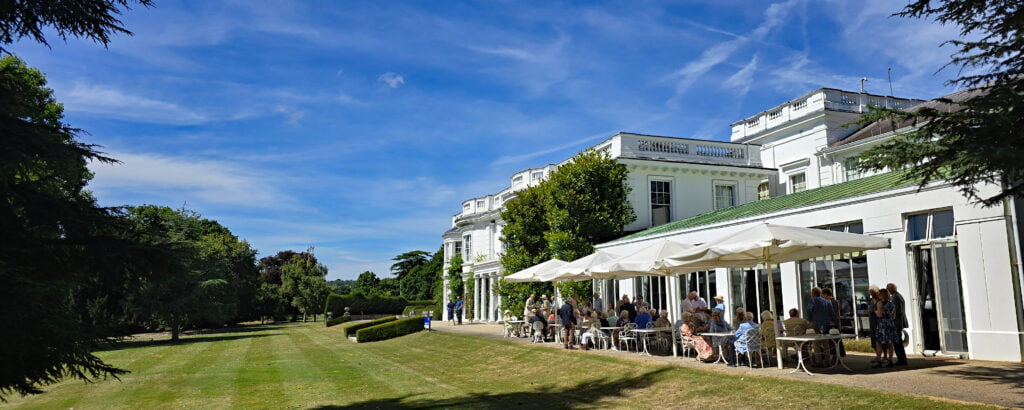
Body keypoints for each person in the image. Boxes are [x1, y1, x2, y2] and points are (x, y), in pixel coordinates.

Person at [874, 288, 898, 368]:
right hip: (890, 325)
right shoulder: (892, 304)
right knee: (890, 343)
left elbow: (879, 315)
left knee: (879, 343)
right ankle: (890, 360)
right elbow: (894, 316)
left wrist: (875, 311)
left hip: (882, 325)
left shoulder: (879, 303)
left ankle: (879, 360)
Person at [887, 283, 909, 366]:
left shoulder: (895, 297)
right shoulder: (898, 296)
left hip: (896, 323)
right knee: (898, 342)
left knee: (897, 342)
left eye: (888, 288)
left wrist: (891, 318)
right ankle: (902, 359)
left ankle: (902, 360)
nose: (887, 290)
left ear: (891, 289)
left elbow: (895, 310)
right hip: (898, 322)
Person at [821, 288, 846, 357]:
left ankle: (836, 356)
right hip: (831, 323)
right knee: (832, 341)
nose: (822, 297)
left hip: (833, 324)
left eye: (822, 295)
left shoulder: (832, 302)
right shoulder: (830, 302)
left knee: (834, 341)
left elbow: (833, 314)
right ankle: (835, 356)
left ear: (826, 294)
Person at [866, 285, 880, 354]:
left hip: (880, 320)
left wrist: (873, 310)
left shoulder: (880, 299)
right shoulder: (870, 300)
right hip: (872, 320)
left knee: (881, 337)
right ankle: (877, 355)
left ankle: (884, 356)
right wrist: (869, 310)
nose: (871, 294)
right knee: (874, 336)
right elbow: (868, 309)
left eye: (872, 292)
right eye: (870, 293)